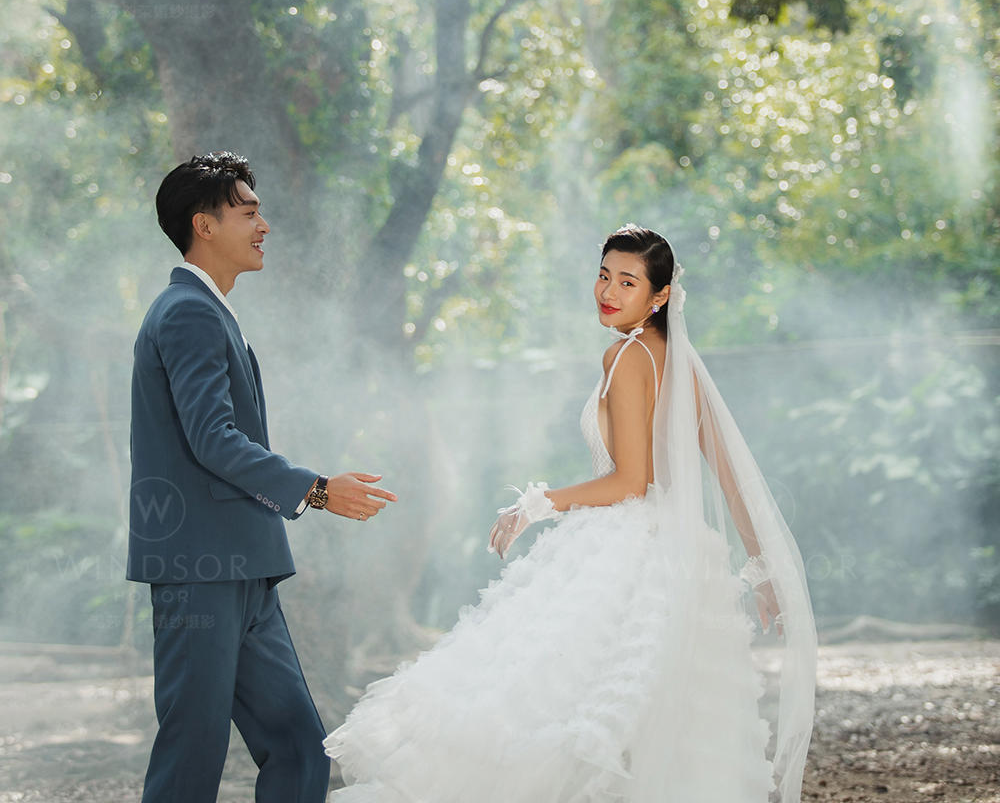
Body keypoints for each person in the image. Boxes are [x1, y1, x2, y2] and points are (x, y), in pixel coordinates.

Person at [324, 224, 816, 803]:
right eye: (604, 275)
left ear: (660, 296)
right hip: (685, 559)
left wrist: (535, 504)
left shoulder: (626, 356)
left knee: (547, 703)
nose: (608, 291)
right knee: (651, 720)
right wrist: (761, 567)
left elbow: (631, 480)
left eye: (627, 282)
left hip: (626, 550)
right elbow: (732, 480)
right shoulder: (679, 362)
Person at [127, 151, 397, 803]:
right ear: (204, 225)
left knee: (300, 746)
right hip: (200, 569)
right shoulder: (187, 311)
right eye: (248, 212)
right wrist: (318, 489)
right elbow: (213, 438)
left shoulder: (209, 309)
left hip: (244, 567)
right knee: (192, 755)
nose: (264, 225)